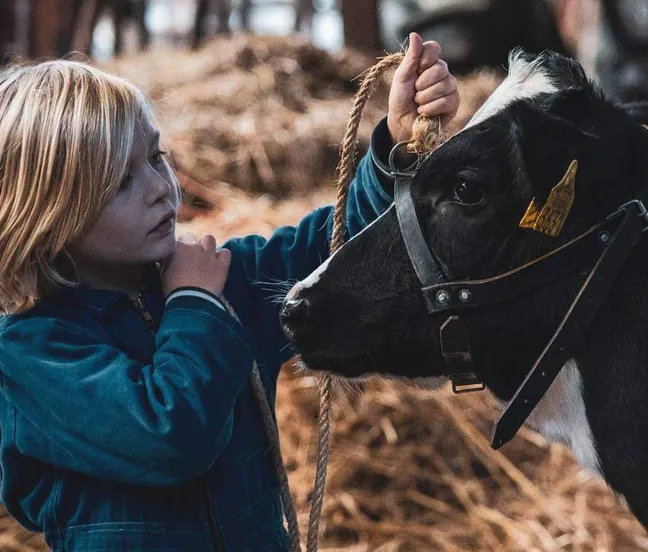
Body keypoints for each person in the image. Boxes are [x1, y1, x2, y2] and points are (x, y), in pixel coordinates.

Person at [0, 33, 460, 551]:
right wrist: (195, 304)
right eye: (120, 183)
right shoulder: (35, 352)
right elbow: (171, 437)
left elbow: (333, 245)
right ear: (48, 217)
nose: (160, 188)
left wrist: (393, 146)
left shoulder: (222, 277)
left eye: (155, 157)